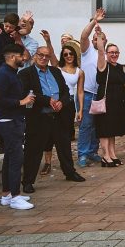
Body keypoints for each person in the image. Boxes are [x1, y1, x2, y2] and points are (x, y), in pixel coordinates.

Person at [18, 43, 85, 193]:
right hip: (39, 117)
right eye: (40, 55)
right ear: (35, 56)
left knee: (64, 146)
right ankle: (28, 181)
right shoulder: (25, 74)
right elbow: (27, 93)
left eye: (46, 56)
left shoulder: (55, 71)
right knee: (33, 150)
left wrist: (62, 101)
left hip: (59, 115)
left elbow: (66, 91)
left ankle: (70, 172)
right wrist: (47, 100)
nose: (43, 58)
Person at [0, 43, 37, 209]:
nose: (23, 58)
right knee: (16, 159)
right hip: (8, 121)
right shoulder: (4, 74)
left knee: (10, 158)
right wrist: (21, 101)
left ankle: (7, 194)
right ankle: (15, 197)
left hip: (14, 120)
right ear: (12, 57)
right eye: (20, 56)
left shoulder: (11, 73)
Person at [38, 35, 84, 176]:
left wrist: (80, 109)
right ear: (62, 56)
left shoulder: (79, 71)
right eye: (65, 54)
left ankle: (67, 167)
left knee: (64, 136)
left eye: (71, 54)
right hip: (53, 102)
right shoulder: (57, 68)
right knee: (48, 135)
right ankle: (47, 163)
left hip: (68, 103)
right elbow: (50, 54)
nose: (68, 56)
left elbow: (80, 92)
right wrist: (48, 41)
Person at [94, 33, 125, 166]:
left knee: (113, 129)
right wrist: (98, 36)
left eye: (116, 52)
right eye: (111, 52)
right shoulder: (103, 65)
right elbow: (100, 52)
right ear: (107, 54)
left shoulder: (119, 67)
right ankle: (105, 156)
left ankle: (113, 154)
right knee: (105, 128)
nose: (114, 55)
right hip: (106, 100)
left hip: (117, 101)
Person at [76, 9, 105, 167]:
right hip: (86, 94)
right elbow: (83, 36)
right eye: (94, 38)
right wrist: (94, 21)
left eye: (100, 38)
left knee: (96, 126)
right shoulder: (87, 52)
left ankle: (93, 151)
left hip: (100, 95)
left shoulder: (106, 55)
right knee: (86, 125)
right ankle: (82, 154)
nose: (96, 40)